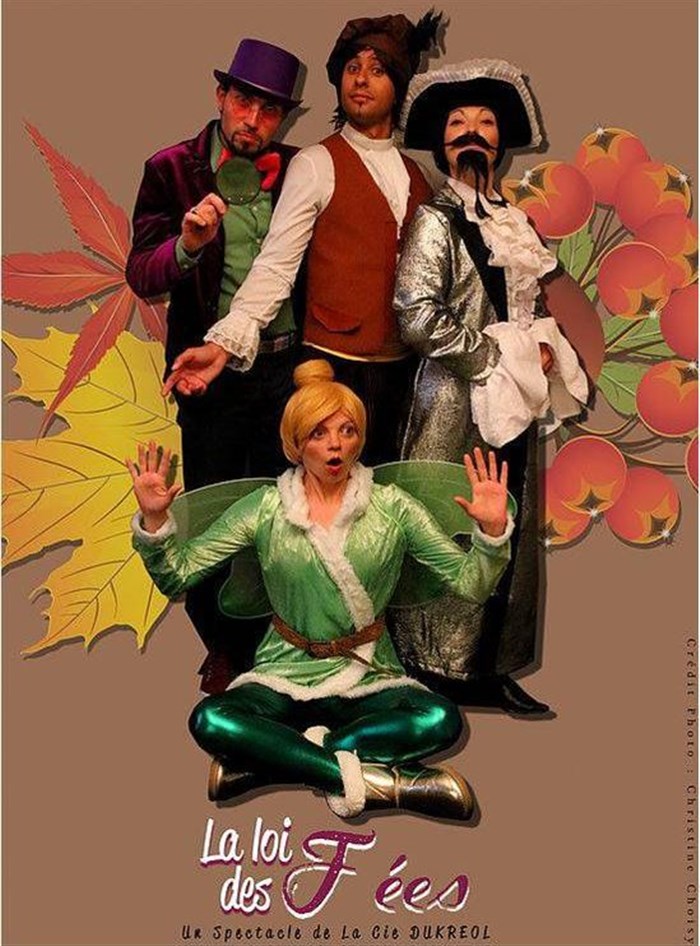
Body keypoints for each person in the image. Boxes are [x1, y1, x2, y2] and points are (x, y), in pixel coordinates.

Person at [128, 361, 513, 821]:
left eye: (347, 431)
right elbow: (178, 575)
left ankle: (271, 762)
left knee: (440, 719)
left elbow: (471, 585)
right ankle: (389, 784)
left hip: (367, 673)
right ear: (296, 443)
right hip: (283, 674)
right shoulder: (265, 508)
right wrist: (155, 521)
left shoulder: (394, 507)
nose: (336, 444)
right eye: (319, 433)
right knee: (210, 719)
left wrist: (491, 534)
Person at [391, 59, 593, 715]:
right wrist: (491, 358)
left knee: (509, 523)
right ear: (443, 144)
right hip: (453, 401)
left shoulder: (514, 222)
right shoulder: (434, 219)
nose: (472, 133)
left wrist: (542, 349)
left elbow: (524, 306)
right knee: (448, 524)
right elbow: (416, 313)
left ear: (500, 142)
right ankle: (429, 667)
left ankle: (491, 665)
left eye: (484, 123)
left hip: (515, 401)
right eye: (458, 124)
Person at [163, 12, 441, 465]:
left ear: (399, 84)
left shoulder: (421, 176)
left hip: (403, 371)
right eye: (352, 68)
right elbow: (276, 264)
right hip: (330, 367)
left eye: (376, 70)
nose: (361, 80)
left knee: (390, 493)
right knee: (327, 497)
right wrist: (224, 343)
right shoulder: (316, 163)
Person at [125, 39, 305, 694]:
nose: (253, 120)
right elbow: (141, 274)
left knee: (289, 508)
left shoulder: (301, 169)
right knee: (212, 510)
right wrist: (187, 245)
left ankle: (287, 642)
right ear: (220, 96)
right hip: (210, 373)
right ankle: (224, 647)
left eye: (270, 110)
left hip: (290, 368)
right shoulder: (170, 169)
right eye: (244, 101)